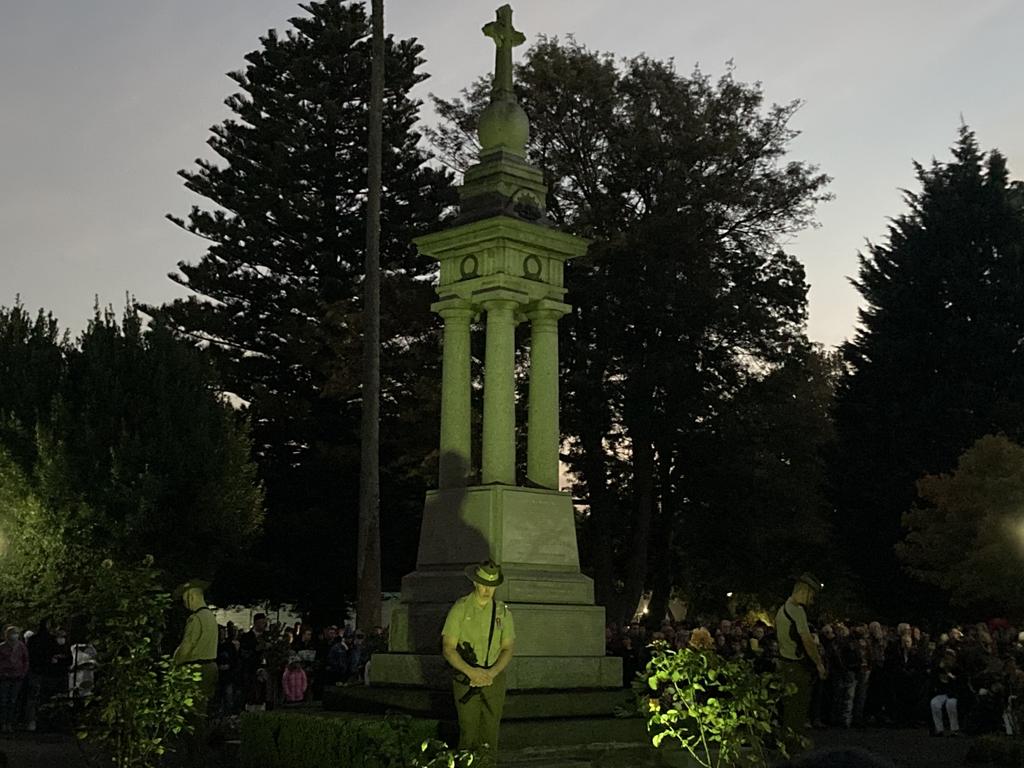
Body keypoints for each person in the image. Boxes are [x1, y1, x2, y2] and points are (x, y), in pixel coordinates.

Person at [441, 560, 515, 757]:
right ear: (475, 582)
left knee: (491, 734)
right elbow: (448, 648)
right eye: (483, 584)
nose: (487, 590)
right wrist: (471, 672)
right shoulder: (460, 609)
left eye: (492, 585)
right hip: (466, 677)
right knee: (468, 732)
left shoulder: (502, 612)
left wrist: (492, 673)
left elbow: (508, 647)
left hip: (494, 677)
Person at [775, 572, 826, 744]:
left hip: (784, 663)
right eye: (812, 595)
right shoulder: (797, 611)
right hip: (796, 667)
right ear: (804, 591)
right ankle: (794, 747)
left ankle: (788, 744)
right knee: (797, 709)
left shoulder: (782, 610)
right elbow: (807, 641)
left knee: (789, 709)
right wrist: (819, 664)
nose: (812, 600)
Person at [172, 579, 219, 707]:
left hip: (196, 670)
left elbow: (187, 646)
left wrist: (174, 664)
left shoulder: (196, 618)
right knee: (203, 707)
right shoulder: (210, 617)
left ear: (191, 597)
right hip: (211, 667)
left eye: (184, 600)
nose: (184, 604)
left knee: (192, 710)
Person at [0, 626, 28, 733]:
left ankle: (10, 723)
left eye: (16, 633)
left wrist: (23, 673)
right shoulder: (2, 647)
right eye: (12, 633)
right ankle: (3, 723)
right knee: (3, 701)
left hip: (17, 677)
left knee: (13, 701)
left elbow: (26, 660)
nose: (14, 635)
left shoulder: (21, 646)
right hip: (4, 677)